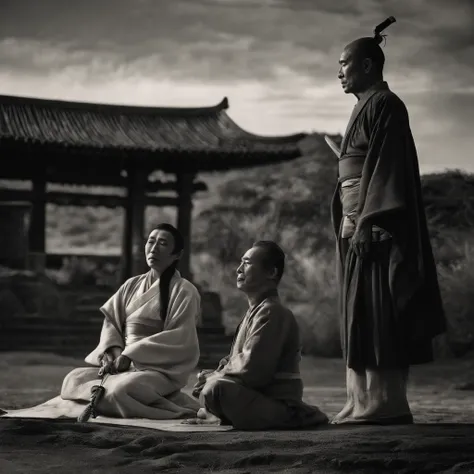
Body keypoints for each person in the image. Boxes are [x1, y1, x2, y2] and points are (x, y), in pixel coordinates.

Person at [330, 18, 446, 425]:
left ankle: (385, 403)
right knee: (357, 311)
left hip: (376, 226)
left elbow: (388, 166)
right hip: (356, 220)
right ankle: (358, 400)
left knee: (378, 311)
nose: (339, 72)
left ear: (367, 65)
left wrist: (368, 221)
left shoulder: (386, 105)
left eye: (344, 63)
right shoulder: (364, 108)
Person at [60, 223, 201, 419]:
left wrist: (131, 355)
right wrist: (116, 355)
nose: (153, 248)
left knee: (120, 391)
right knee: (73, 379)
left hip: (158, 369)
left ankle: (176, 412)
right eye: (151, 242)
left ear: (177, 255)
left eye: (162, 243)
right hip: (122, 364)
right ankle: (148, 403)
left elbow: (180, 336)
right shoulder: (131, 285)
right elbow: (112, 324)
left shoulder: (184, 290)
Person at [184, 241, 328, 430]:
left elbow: (254, 370)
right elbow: (233, 361)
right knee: (210, 385)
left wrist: (216, 377)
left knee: (217, 388)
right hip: (257, 399)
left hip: (278, 404)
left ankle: (297, 416)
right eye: (241, 263)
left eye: (247, 263)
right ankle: (220, 413)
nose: (239, 269)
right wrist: (211, 375)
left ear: (271, 273)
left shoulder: (274, 312)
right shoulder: (252, 314)